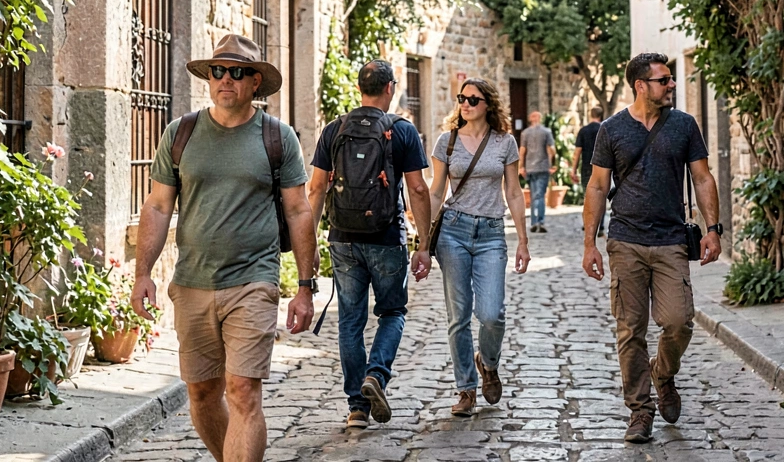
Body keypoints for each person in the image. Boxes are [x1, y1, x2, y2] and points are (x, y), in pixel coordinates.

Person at [132, 34, 316, 462]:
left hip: (253, 281)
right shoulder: (181, 133)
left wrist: (305, 286)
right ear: (209, 78)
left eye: (237, 72)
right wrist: (143, 273)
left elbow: (299, 211)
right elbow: (159, 206)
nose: (226, 79)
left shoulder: (277, 137)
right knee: (201, 393)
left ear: (255, 82)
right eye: (218, 71)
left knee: (243, 391)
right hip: (192, 282)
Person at [581, 52, 723, 444]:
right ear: (640, 85)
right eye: (664, 80)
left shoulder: (684, 125)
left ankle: (663, 373)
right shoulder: (611, 129)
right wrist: (589, 243)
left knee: (679, 321)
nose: (672, 85)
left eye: (671, 79)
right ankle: (640, 411)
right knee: (631, 331)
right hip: (625, 240)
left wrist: (713, 228)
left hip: (671, 239)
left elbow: (702, 177)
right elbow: (596, 185)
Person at [306, 60, 433, 429]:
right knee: (393, 312)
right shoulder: (402, 130)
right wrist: (424, 243)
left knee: (350, 320)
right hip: (386, 237)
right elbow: (419, 189)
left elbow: (316, 188)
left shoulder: (335, 129)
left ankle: (356, 408)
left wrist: (311, 243)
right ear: (390, 88)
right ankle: (376, 374)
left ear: (360, 88)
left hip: (343, 239)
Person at [428, 78, 531, 416]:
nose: (466, 104)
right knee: (458, 317)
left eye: (473, 99)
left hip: (491, 234)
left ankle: (487, 362)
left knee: (492, 314)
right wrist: (421, 241)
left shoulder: (505, 143)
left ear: (488, 104)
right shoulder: (447, 141)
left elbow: (514, 192)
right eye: (462, 98)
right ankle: (466, 389)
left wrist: (523, 241)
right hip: (453, 233)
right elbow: (435, 191)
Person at [517, 111, 556, 233]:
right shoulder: (546, 132)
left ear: (530, 119)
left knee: (534, 195)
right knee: (540, 195)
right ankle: (540, 221)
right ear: (540, 118)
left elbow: (522, 150)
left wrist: (521, 167)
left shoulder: (525, 133)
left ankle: (534, 222)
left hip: (530, 168)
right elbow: (551, 150)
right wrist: (553, 164)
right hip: (543, 167)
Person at [571, 105, 605, 236]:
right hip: (602, 168)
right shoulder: (605, 129)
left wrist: (573, 170)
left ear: (591, 114)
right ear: (601, 115)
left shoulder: (583, 131)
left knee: (588, 198)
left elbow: (577, 152)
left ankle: (589, 225)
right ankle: (600, 226)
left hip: (586, 167)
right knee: (601, 197)